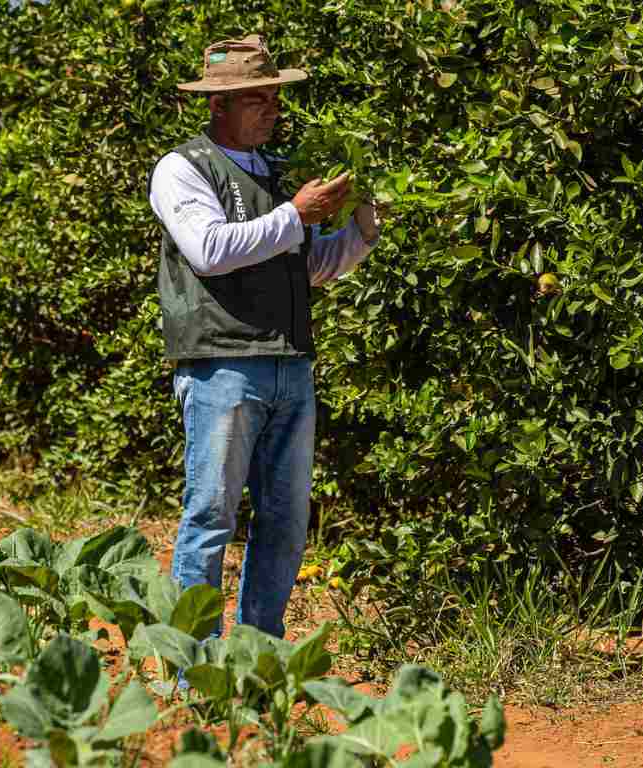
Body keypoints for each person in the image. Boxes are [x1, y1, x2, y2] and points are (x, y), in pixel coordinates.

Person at [148, 35, 379, 640]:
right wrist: (295, 215)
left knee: (285, 520)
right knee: (210, 516)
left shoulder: (280, 175)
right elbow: (210, 250)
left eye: (275, 97)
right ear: (218, 104)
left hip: (290, 366)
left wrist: (364, 225)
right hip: (222, 366)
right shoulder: (183, 169)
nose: (272, 109)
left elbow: (307, 266)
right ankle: (193, 672)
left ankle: (261, 657)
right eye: (257, 98)